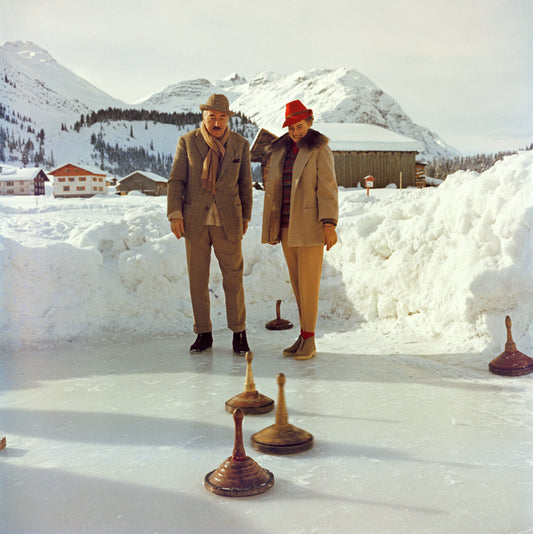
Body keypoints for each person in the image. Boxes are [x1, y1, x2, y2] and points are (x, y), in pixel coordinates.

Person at [167, 94, 253, 355]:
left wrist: (246, 216)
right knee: (197, 279)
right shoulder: (187, 141)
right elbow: (176, 180)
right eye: (212, 116)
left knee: (234, 278)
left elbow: (245, 184)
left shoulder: (240, 144)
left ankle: (239, 332)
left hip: (228, 220)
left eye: (222, 117)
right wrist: (175, 213)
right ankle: (203, 332)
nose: (217, 122)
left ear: (228, 119)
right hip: (195, 221)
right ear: (204, 117)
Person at [261, 100, 338, 360]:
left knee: (309, 285)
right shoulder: (281, 150)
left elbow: (327, 188)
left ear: (310, 123)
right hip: (285, 226)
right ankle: (304, 335)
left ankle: (310, 340)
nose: (296, 132)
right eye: (292, 127)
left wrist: (329, 224)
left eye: (300, 126)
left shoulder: (319, 149)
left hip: (310, 226)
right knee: (297, 285)